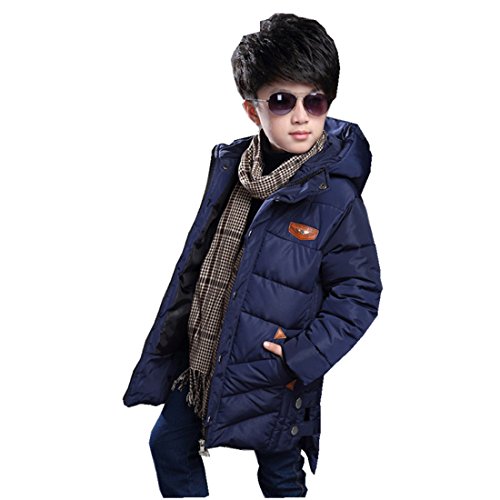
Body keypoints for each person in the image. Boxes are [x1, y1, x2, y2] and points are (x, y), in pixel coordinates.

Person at [123, 12, 382, 498]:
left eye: (315, 100)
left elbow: (360, 293)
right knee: (168, 444)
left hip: (275, 373)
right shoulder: (232, 170)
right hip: (207, 359)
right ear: (252, 109)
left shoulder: (336, 196)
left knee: (280, 477)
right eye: (282, 101)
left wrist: (301, 354)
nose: (301, 116)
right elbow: (200, 260)